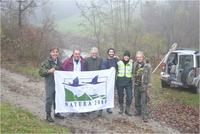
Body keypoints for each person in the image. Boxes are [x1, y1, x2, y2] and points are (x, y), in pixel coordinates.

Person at [39, 47, 64, 122]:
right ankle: (48, 115)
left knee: (57, 98)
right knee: (49, 99)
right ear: (50, 53)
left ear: (58, 53)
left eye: (56, 52)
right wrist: (48, 71)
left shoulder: (60, 62)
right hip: (50, 83)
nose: (55, 53)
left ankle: (57, 112)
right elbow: (40, 72)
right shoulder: (46, 61)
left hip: (58, 84)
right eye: (53, 52)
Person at [133, 51, 151, 122]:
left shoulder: (147, 65)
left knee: (144, 101)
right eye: (137, 57)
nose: (139, 58)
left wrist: (149, 85)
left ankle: (145, 115)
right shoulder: (135, 64)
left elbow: (150, 76)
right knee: (137, 100)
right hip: (136, 85)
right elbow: (133, 73)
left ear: (143, 57)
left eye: (140, 57)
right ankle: (138, 111)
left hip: (144, 86)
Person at [85, 47, 103, 116]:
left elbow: (104, 67)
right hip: (89, 80)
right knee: (90, 95)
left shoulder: (100, 59)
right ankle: (90, 109)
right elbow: (84, 68)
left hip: (98, 80)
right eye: (93, 53)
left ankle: (100, 110)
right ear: (90, 53)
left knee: (98, 95)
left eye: (95, 53)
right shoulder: (87, 60)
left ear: (97, 53)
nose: (94, 54)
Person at [116, 50, 133, 116]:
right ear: (123, 56)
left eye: (128, 56)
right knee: (120, 96)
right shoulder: (119, 62)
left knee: (129, 96)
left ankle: (127, 110)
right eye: (125, 56)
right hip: (120, 81)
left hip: (128, 81)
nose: (126, 57)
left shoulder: (131, 63)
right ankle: (121, 109)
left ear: (129, 57)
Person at [101, 48, 118, 114]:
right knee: (103, 94)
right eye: (110, 52)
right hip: (106, 80)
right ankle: (101, 108)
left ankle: (109, 108)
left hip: (113, 81)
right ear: (108, 53)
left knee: (111, 94)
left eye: (112, 52)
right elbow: (103, 68)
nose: (111, 53)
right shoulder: (104, 60)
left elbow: (121, 64)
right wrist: (110, 70)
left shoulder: (116, 60)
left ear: (114, 53)